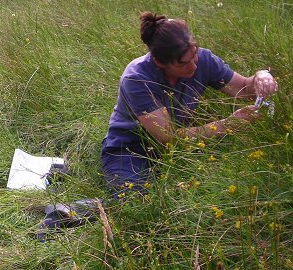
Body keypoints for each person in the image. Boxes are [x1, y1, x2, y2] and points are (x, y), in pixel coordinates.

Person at [101, 12, 278, 195]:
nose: (194, 66)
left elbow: (242, 89)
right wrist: (228, 125)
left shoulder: (204, 59)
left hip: (184, 147)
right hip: (130, 149)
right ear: (160, 62)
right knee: (135, 202)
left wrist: (261, 77)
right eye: (183, 64)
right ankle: (75, 210)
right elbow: (169, 138)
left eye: (194, 55)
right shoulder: (137, 79)